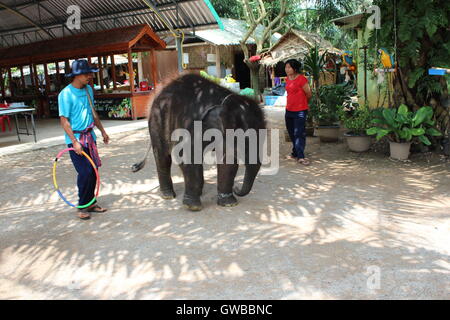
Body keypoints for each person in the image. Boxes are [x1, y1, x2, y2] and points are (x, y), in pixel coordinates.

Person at [59, 59, 110, 220]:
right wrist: (74, 141)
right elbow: (64, 120)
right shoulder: (66, 94)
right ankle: (82, 205)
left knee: (94, 171)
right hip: (76, 140)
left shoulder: (89, 89)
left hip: (90, 137)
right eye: (87, 74)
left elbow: (93, 112)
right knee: (85, 172)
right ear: (77, 75)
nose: (90, 76)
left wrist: (102, 131)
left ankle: (91, 203)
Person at [284, 59, 312, 165]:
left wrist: (303, 104)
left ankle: (301, 156)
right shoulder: (287, 79)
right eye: (286, 67)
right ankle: (295, 152)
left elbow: (308, 94)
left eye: (289, 67)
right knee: (291, 133)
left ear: (295, 68)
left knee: (299, 133)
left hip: (300, 111)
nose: (287, 69)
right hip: (289, 110)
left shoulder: (302, 79)